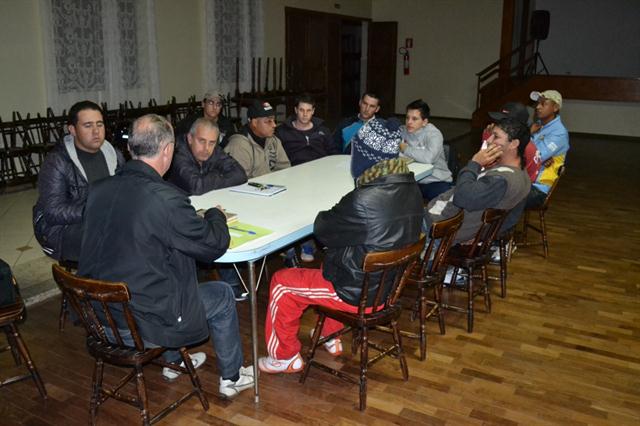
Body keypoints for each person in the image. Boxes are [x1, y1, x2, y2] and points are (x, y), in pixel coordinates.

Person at [77, 114, 254, 398]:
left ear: (130, 148)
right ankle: (232, 377)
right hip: (142, 324)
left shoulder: (98, 191)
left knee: (160, 277)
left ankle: (172, 363)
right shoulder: (167, 200)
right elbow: (213, 245)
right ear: (168, 150)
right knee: (220, 294)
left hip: (100, 317)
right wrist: (214, 215)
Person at [258, 158, 424, 373]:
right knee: (330, 266)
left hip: (357, 293)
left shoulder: (363, 199)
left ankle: (284, 356)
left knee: (282, 283)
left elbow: (323, 230)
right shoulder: (412, 190)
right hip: (388, 287)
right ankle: (330, 335)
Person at [32, 101, 125, 262]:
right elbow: (53, 212)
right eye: (88, 126)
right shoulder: (57, 161)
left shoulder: (115, 155)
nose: (96, 131)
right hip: (63, 230)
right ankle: (106, 284)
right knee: (117, 239)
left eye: (100, 124)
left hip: (106, 221)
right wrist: (95, 210)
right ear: (72, 130)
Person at [424, 117, 531, 244]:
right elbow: (510, 218)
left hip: (438, 227)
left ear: (514, 144)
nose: (489, 140)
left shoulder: (500, 180)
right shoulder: (523, 175)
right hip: (445, 223)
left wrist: (475, 163)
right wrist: (483, 236)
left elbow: (461, 197)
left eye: (496, 137)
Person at [275, 93, 338, 264]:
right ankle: (290, 243)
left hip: (320, 178)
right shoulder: (282, 132)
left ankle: (312, 242)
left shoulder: (322, 131)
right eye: (301, 110)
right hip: (291, 178)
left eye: (308, 110)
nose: (304, 114)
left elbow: (333, 154)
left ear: (313, 112)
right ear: (295, 110)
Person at [169, 117, 246, 195]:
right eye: (202, 141)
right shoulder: (176, 153)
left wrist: (209, 181)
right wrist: (217, 174)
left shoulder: (215, 150)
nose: (206, 148)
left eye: (212, 143)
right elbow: (196, 187)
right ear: (190, 139)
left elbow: (240, 175)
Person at [399, 99, 453, 199]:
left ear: (424, 122)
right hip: (412, 181)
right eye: (407, 118)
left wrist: (406, 149)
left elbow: (429, 158)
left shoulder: (434, 134)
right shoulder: (403, 131)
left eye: (414, 119)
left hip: (436, 181)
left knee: (437, 209)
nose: (409, 122)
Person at [525, 90, 569, 208]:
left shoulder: (559, 133)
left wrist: (527, 136)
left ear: (555, 108)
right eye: (538, 103)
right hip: (525, 180)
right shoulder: (538, 125)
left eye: (543, 103)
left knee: (504, 196)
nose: (538, 107)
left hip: (538, 188)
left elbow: (532, 158)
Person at [224, 100, 290, 178]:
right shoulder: (238, 146)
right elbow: (238, 181)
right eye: (269, 121)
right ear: (254, 123)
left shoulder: (274, 141)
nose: (274, 125)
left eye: (274, 120)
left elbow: (285, 169)